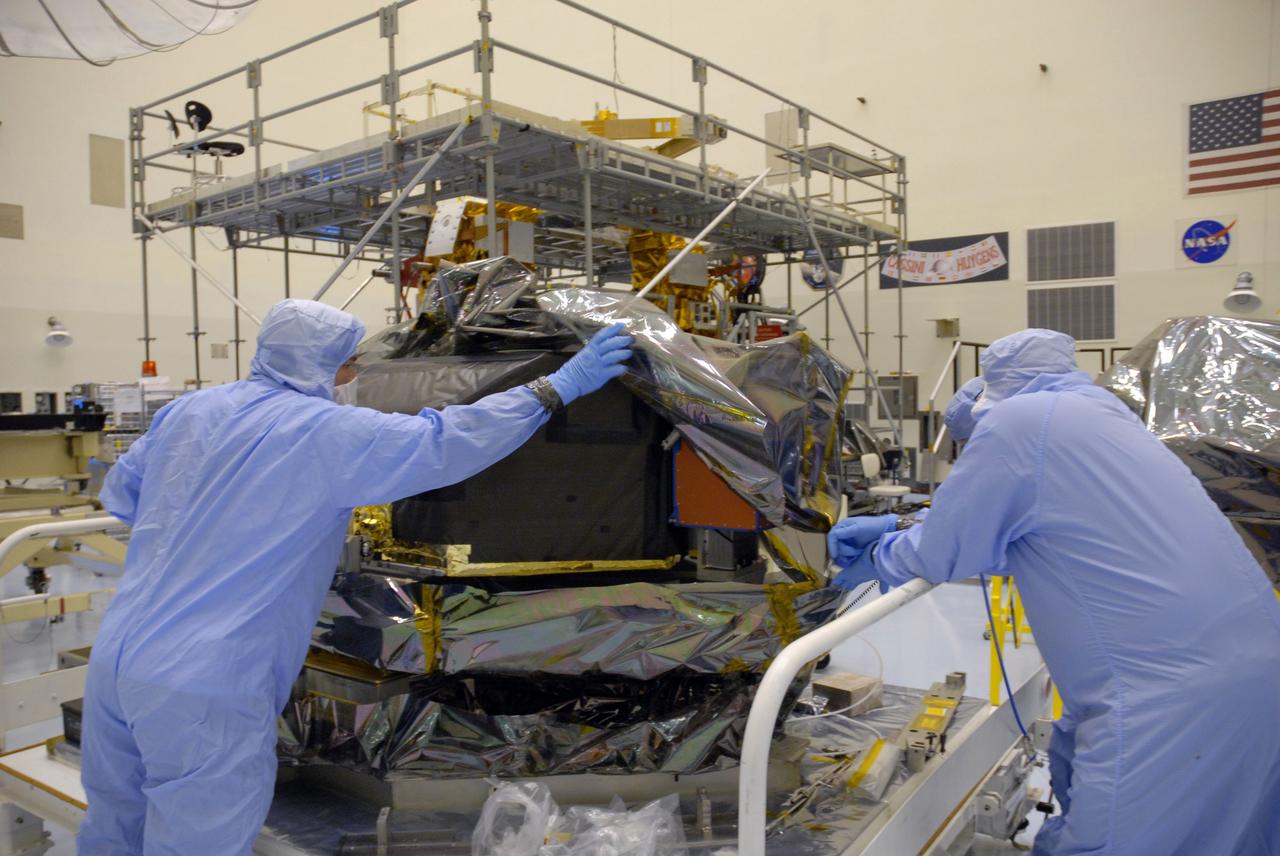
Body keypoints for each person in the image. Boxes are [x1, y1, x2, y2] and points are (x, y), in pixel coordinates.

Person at [78, 299, 633, 855]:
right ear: (316, 366)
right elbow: (440, 442)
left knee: (115, 821)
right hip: (204, 680)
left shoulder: (190, 411)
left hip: (118, 658)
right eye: (347, 364)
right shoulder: (322, 431)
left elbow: (124, 496)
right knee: (198, 838)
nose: (354, 376)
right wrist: (553, 389)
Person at [828, 329, 1280, 856]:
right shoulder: (1098, 413)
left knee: (1106, 843)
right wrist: (905, 524)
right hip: (1245, 669)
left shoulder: (1017, 424)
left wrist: (882, 555)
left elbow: (946, 550)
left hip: (1165, 694)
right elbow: (1045, 531)